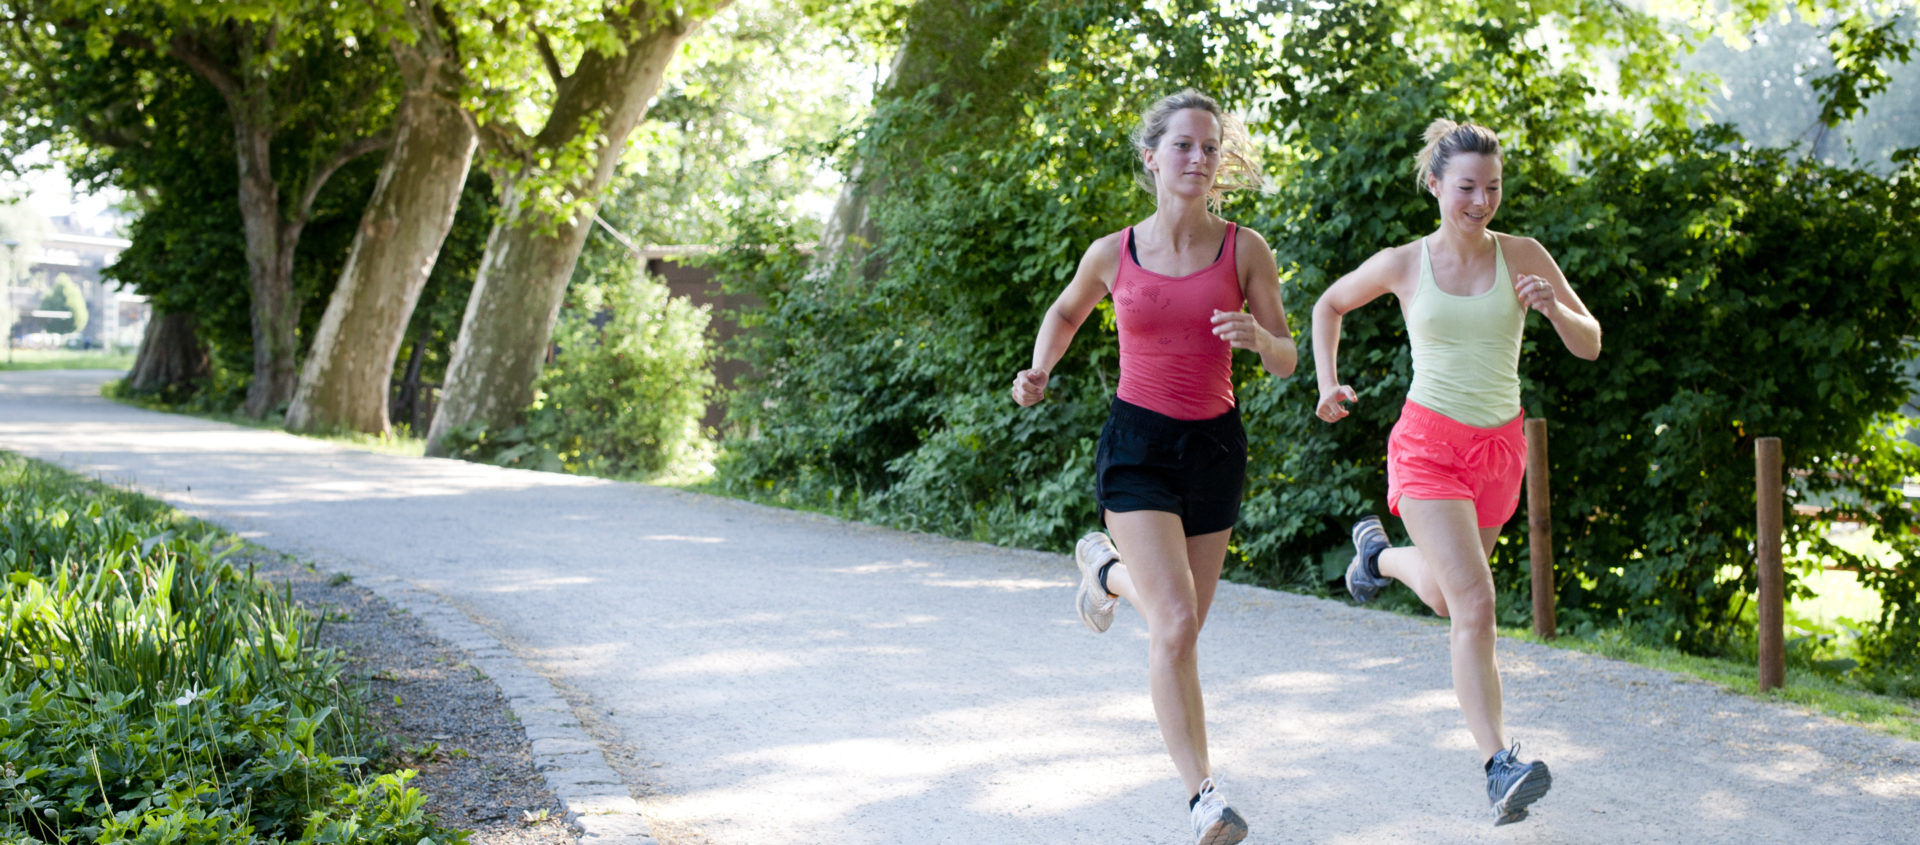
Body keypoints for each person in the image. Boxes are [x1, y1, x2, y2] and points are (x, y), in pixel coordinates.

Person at [1011, 88, 1296, 845]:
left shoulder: (1247, 249)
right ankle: (1204, 794)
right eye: (1184, 145)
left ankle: (1103, 572)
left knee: (1184, 629)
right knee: (1172, 623)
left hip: (1215, 449)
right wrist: (1039, 369)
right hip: (1137, 444)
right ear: (1152, 157)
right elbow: (1067, 310)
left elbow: (1290, 356)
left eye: (1211, 147)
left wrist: (1259, 342)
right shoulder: (1116, 251)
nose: (1200, 158)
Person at [1310, 118, 1602, 826]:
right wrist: (1327, 382)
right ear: (1436, 184)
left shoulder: (1522, 253)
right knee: (1476, 604)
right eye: (1466, 186)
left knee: (1447, 599)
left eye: (1493, 187)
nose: (1480, 200)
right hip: (1429, 444)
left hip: (1500, 452)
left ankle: (1377, 557)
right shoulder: (1407, 262)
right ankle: (1499, 761)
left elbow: (1589, 343)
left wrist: (1553, 306)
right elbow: (1329, 304)